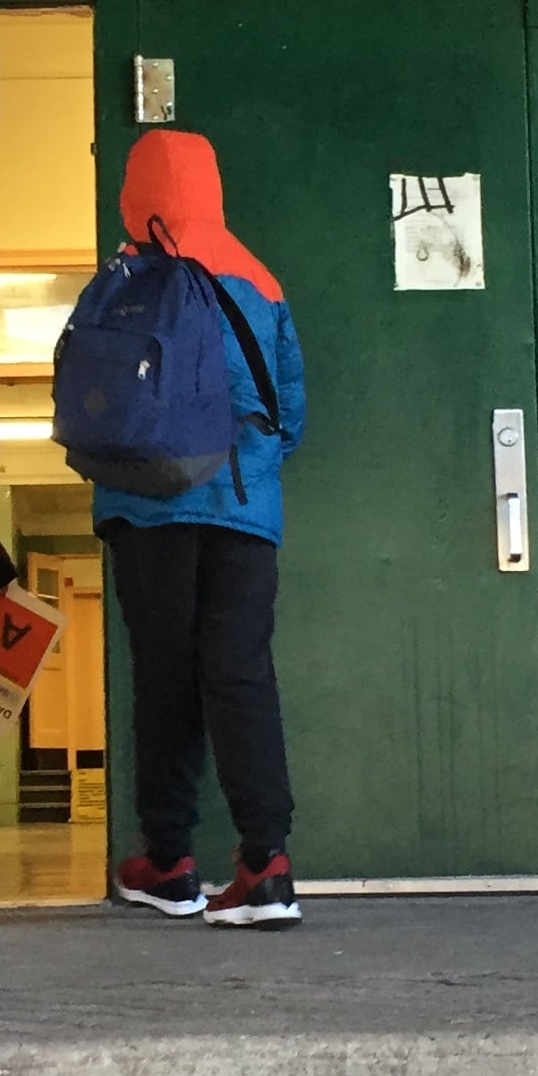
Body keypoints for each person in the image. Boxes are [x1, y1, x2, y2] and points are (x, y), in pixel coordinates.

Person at [100, 129, 308, 928]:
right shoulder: (259, 279)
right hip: (244, 505)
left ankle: (169, 861)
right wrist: (245, 463)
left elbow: (91, 399)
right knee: (240, 672)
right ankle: (267, 862)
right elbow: (290, 412)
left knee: (165, 677)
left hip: (147, 508)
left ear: (133, 187)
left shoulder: (120, 277)